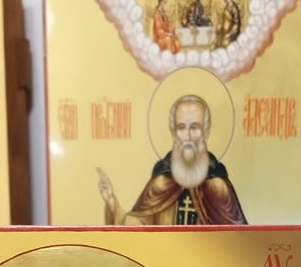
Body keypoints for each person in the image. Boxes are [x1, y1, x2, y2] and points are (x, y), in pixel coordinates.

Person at [97, 94, 247, 227]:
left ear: (205, 131)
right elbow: (138, 226)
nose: (188, 137)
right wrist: (112, 203)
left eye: (194, 127)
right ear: (173, 132)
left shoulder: (218, 187)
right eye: (181, 127)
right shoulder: (161, 182)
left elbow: (239, 237)